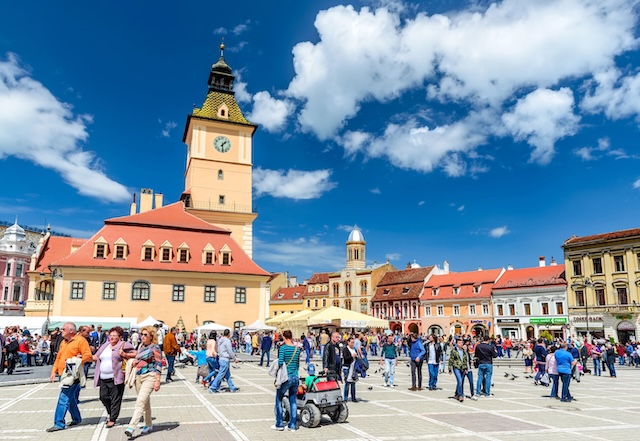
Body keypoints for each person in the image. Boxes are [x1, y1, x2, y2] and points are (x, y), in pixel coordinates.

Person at [46, 322, 93, 432]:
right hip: (63, 374)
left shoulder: (80, 341)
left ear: (71, 331)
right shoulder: (63, 342)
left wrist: (80, 357)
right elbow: (59, 358)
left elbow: (88, 355)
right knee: (70, 398)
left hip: (73, 374)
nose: (61, 331)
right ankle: (76, 418)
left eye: (63, 329)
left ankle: (59, 423)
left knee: (63, 398)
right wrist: (54, 371)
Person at [124, 326, 163, 438]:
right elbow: (138, 357)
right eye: (142, 334)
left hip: (150, 376)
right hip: (138, 376)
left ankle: (131, 427)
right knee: (145, 402)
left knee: (140, 401)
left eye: (146, 335)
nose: (143, 336)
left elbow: (159, 363)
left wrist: (157, 380)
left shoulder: (155, 347)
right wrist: (134, 361)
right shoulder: (141, 346)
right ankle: (149, 424)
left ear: (151, 336)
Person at [93, 326, 135, 428]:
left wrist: (124, 354)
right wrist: (84, 357)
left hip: (116, 377)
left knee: (116, 399)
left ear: (120, 337)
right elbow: (95, 357)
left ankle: (112, 419)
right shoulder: (105, 345)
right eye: (110, 335)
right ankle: (111, 412)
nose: (111, 338)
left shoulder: (124, 344)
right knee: (103, 397)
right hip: (103, 377)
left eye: (114, 336)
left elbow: (135, 353)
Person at [272, 330, 301, 432]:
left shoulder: (283, 348)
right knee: (293, 400)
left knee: (279, 398)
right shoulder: (297, 349)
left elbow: (280, 362)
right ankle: (292, 425)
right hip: (295, 377)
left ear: (284, 337)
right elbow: (298, 365)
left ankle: (279, 424)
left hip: (286, 377)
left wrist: (277, 376)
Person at [209, 329, 240, 393]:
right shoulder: (227, 341)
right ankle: (213, 387)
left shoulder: (220, 340)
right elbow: (230, 351)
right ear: (228, 334)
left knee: (227, 374)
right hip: (225, 359)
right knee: (221, 374)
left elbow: (218, 349)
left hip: (221, 358)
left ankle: (232, 387)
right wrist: (235, 358)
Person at [448, 338, 469, 402]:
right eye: (459, 343)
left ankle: (456, 394)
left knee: (461, 382)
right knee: (459, 381)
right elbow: (451, 360)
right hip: (456, 367)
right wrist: (449, 369)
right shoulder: (453, 351)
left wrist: (466, 368)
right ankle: (460, 395)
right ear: (457, 344)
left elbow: (465, 360)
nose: (461, 344)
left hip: (462, 368)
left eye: (462, 343)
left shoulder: (464, 351)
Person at [342, 336, 359, 402]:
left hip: (353, 368)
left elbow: (357, 357)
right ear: (348, 342)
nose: (352, 344)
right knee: (347, 383)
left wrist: (357, 356)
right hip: (347, 368)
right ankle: (345, 398)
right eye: (351, 343)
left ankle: (353, 397)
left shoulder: (354, 349)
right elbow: (345, 358)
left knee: (353, 383)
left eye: (353, 343)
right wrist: (352, 356)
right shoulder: (345, 349)